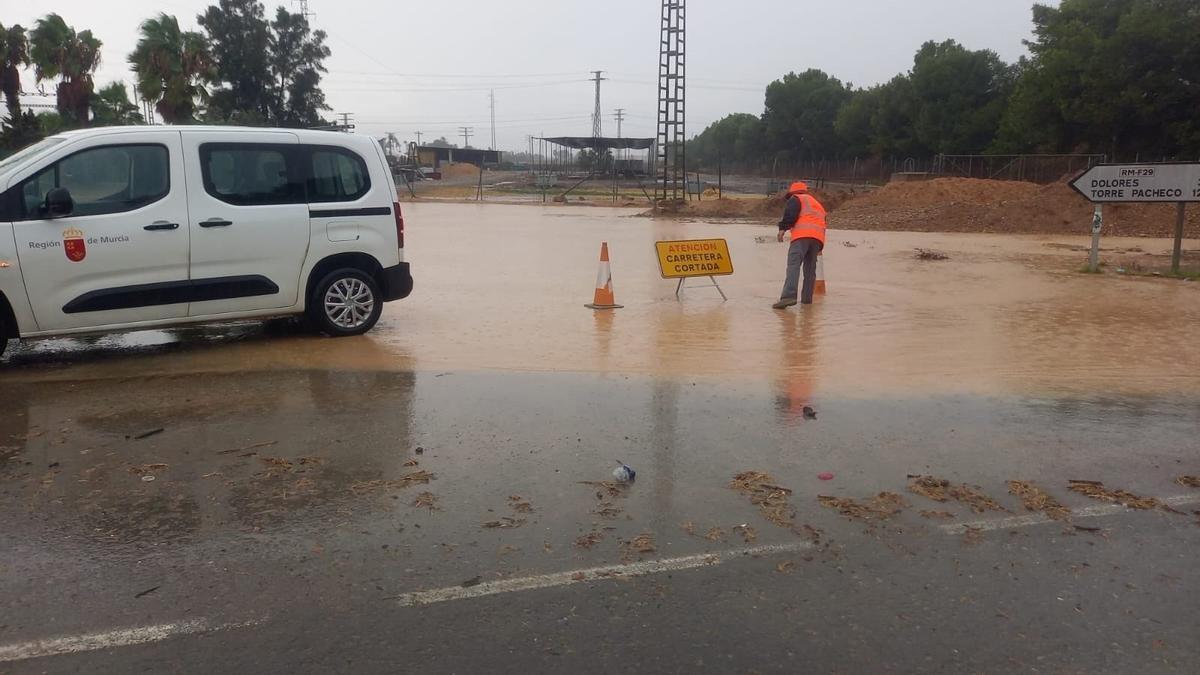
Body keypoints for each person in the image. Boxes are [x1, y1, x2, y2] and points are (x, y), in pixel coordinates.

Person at [772, 181, 827, 309]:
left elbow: (791, 215)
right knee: (810, 270)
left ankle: (788, 297)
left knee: (793, 265)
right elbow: (823, 222)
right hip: (818, 239)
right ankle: (807, 301)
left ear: (793, 192)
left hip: (801, 236)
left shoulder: (796, 199)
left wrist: (782, 229)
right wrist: (819, 244)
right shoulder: (817, 204)